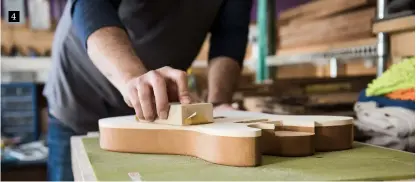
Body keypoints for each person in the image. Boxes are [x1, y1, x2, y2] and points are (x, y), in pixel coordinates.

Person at [43, 0, 253, 181]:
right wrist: (134, 79)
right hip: (81, 94)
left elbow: (229, 35)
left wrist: (217, 104)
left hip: (158, 113)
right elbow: (92, 5)